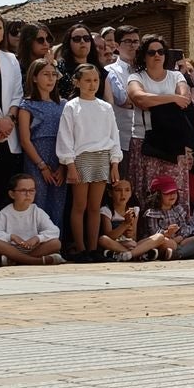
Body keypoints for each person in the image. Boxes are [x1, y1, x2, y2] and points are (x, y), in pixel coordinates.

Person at [57, 63, 122, 262]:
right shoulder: (72, 106)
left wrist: (115, 163)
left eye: (95, 80)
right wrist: (70, 164)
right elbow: (65, 136)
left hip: (102, 157)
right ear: (77, 82)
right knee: (80, 205)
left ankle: (93, 248)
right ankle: (80, 248)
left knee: (95, 206)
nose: (92, 84)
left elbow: (114, 135)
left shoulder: (105, 107)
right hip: (81, 157)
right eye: (87, 80)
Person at [126, 35, 194, 211]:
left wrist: (156, 102)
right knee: (147, 190)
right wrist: (172, 98)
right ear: (143, 56)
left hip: (173, 141)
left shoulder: (176, 76)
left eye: (161, 52)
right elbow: (140, 99)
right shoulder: (136, 77)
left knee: (174, 189)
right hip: (145, 140)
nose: (157, 55)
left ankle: (176, 225)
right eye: (151, 52)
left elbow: (184, 99)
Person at [17, 59, 66, 228]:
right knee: (38, 200)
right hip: (36, 159)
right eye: (46, 74)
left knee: (58, 203)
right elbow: (25, 140)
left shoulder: (63, 104)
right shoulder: (27, 105)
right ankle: (36, 240)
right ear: (35, 77)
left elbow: (69, 136)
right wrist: (42, 166)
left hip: (59, 159)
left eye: (54, 75)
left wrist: (63, 166)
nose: (51, 79)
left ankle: (55, 241)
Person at [0, 174, 65, 266]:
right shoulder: (5, 213)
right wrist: (11, 237)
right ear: (12, 194)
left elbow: (54, 231)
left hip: (34, 248)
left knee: (56, 243)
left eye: (31, 190)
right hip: (12, 249)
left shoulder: (37, 211)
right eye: (23, 190)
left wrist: (37, 238)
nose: (28, 194)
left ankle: (17, 260)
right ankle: (36, 261)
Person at [0, 12, 25, 213]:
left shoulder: (11, 59)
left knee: (5, 193)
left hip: (8, 135)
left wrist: (9, 119)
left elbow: (17, 94)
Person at [98, 179, 167, 262]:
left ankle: (129, 254)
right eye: (118, 190)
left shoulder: (134, 210)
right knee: (103, 239)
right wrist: (125, 224)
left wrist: (129, 233)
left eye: (127, 190)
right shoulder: (107, 210)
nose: (123, 194)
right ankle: (138, 254)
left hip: (132, 244)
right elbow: (109, 236)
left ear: (131, 193)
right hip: (116, 244)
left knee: (160, 237)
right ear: (110, 193)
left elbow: (133, 237)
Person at [143, 174, 194, 260]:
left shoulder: (178, 209)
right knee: (169, 244)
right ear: (157, 195)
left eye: (174, 192)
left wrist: (180, 237)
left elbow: (185, 227)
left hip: (179, 240)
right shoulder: (151, 213)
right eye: (168, 193)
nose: (172, 195)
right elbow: (154, 233)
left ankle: (178, 254)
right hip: (163, 242)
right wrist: (167, 233)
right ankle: (190, 252)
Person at [104, 25, 141, 165]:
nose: (133, 45)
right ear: (117, 45)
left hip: (146, 139)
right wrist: (148, 99)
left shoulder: (146, 70)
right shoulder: (109, 71)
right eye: (128, 41)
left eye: (136, 41)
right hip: (123, 140)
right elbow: (124, 100)